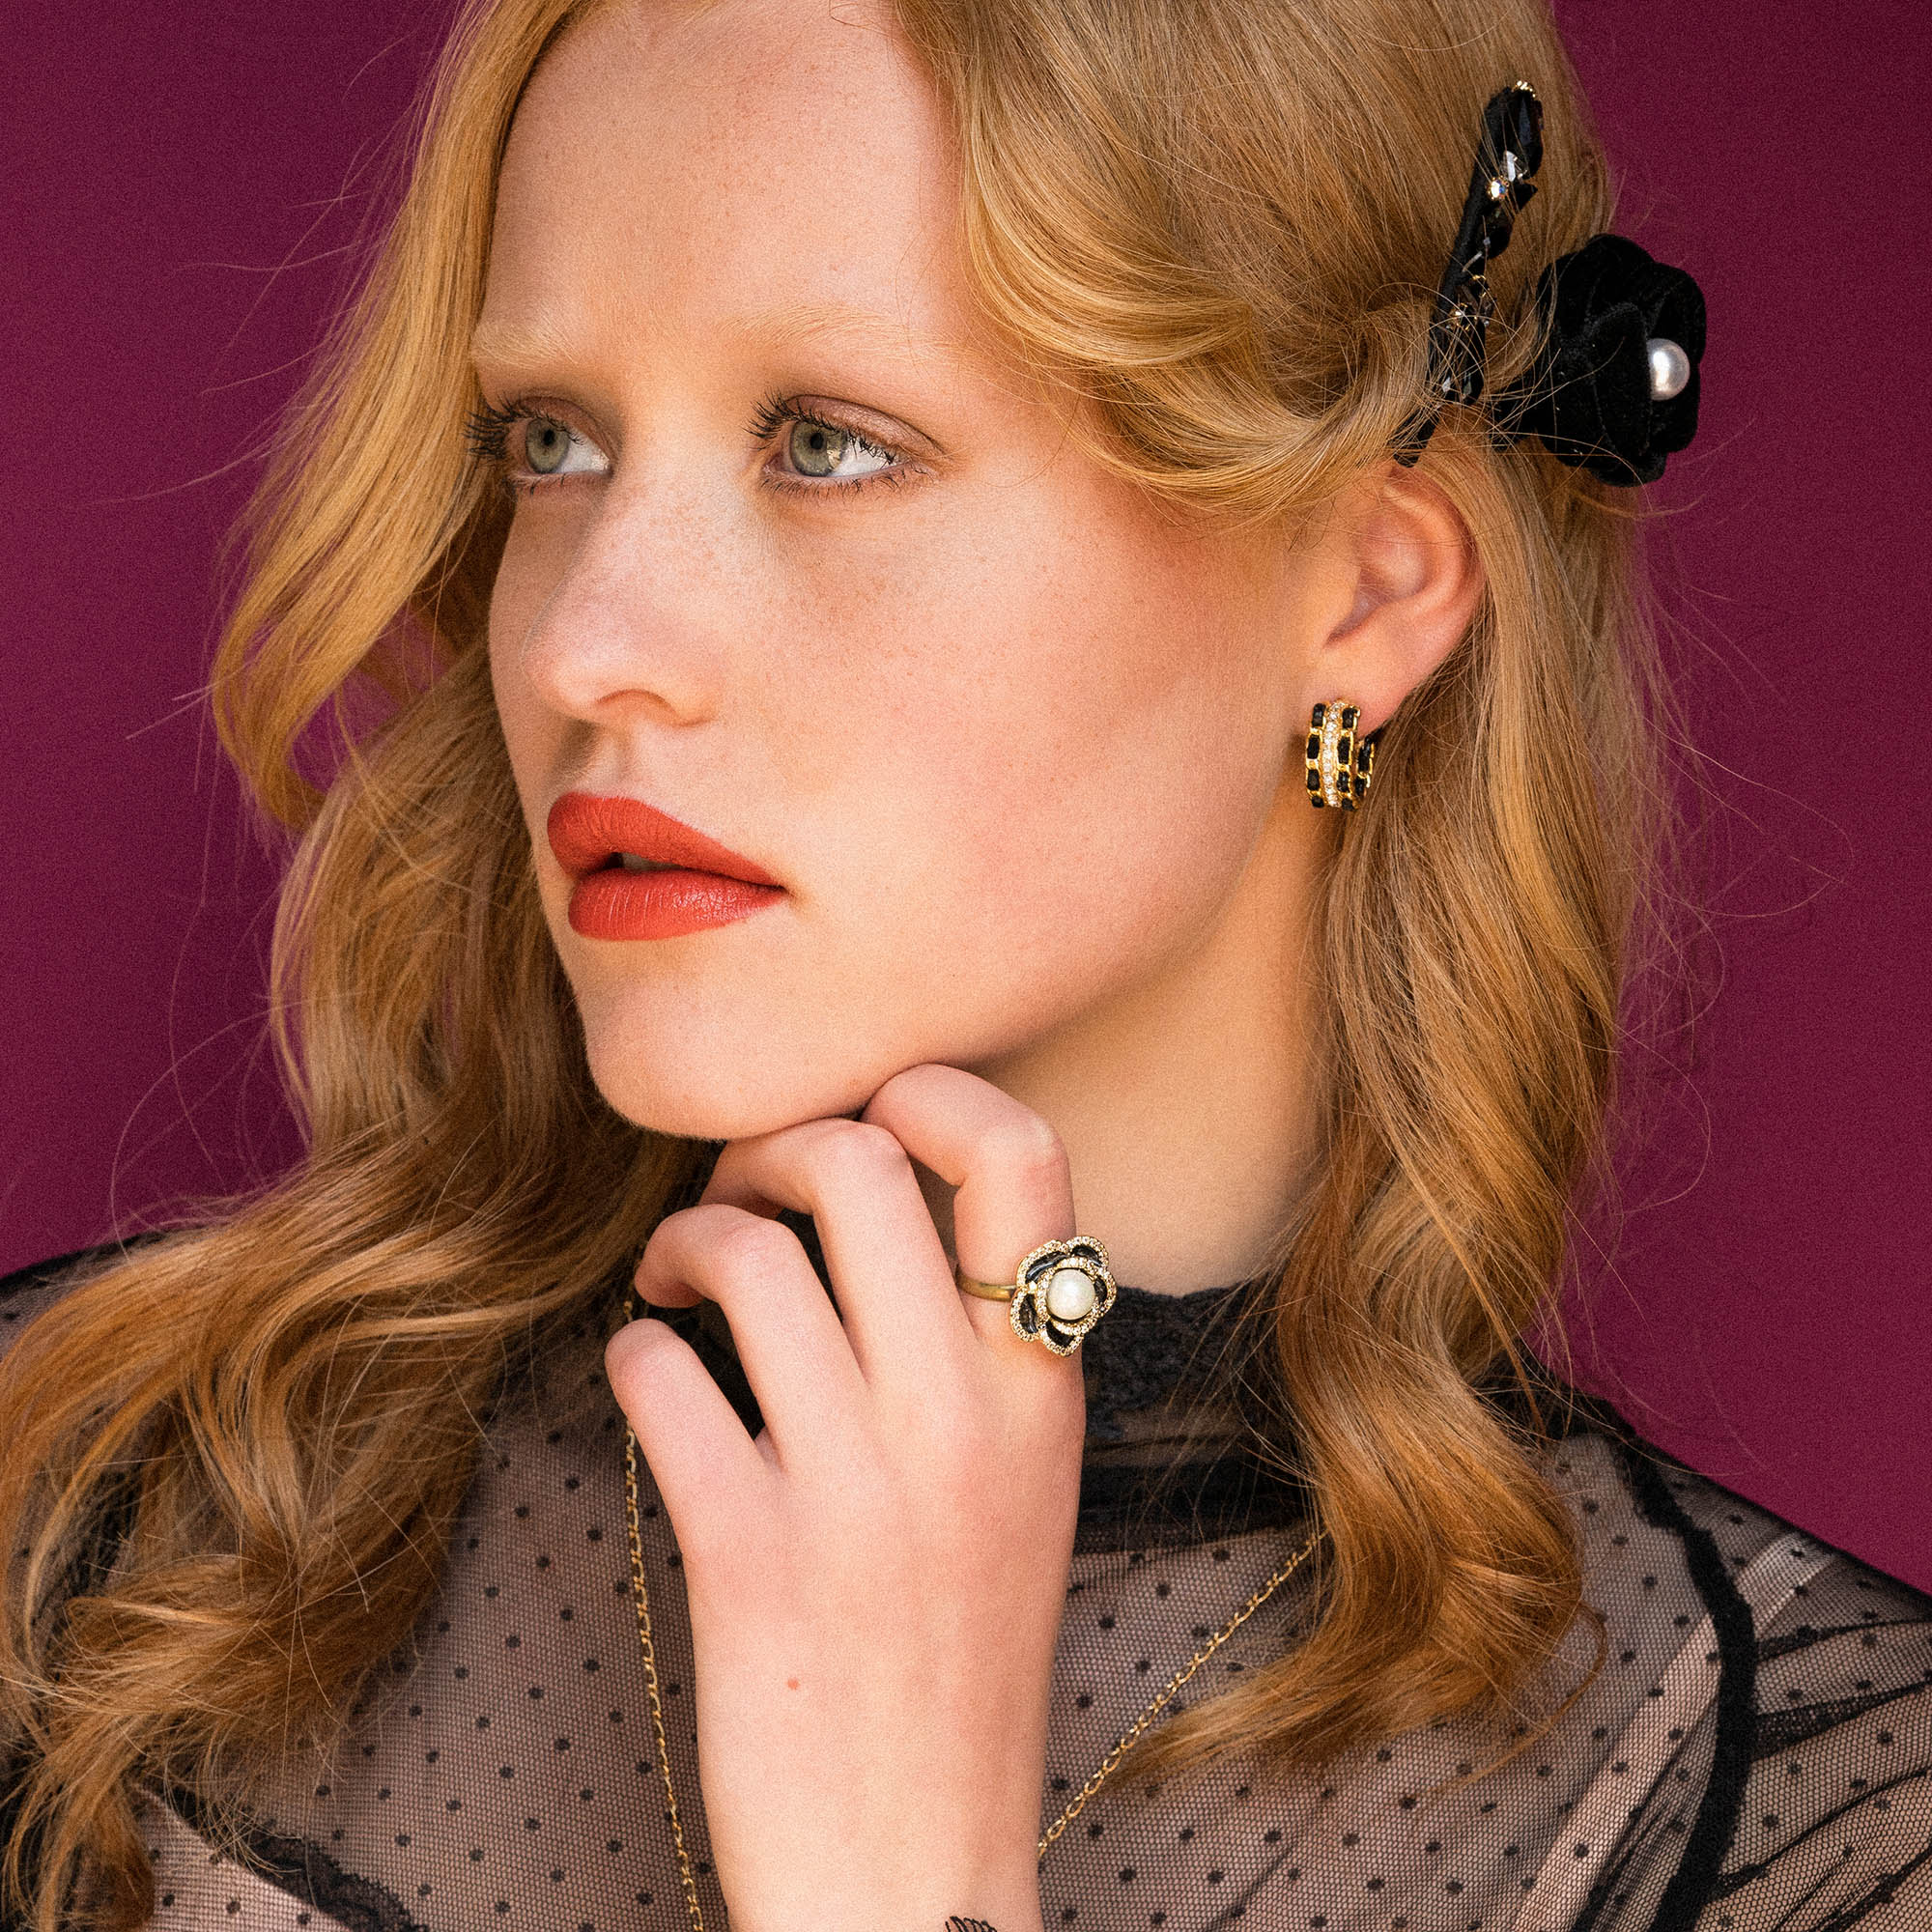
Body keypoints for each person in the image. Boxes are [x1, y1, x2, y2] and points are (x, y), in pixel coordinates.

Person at [2, 0, 1926, 1926]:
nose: (590, 642)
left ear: (1364, 587)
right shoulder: (85, 1518)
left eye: (830, 445)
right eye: (551, 442)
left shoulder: (1805, 1820)